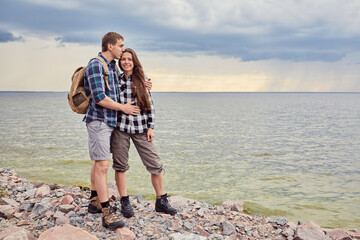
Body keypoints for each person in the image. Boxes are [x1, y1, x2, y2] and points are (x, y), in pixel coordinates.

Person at [83, 32, 141, 230]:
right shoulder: (96, 65)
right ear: (110, 46)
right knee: (102, 166)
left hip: (108, 121)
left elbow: (123, 82)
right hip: (99, 121)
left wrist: (146, 84)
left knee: (99, 162)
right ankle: (106, 214)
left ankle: (94, 202)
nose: (123, 49)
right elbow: (99, 97)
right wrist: (123, 107)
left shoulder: (110, 66)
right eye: (121, 46)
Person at [111, 48, 177, 218]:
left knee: (155, 165)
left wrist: (150, 127)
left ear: (134, 62)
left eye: (129, 59)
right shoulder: (115, 80)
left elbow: (150, 106)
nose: (126, 62)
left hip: (141, 129)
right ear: (120, 61)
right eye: (123, 59)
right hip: (121, 129)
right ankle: (124, 202)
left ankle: (161, 201)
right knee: (120, 166)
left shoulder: (142, 81)